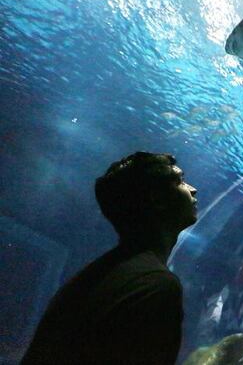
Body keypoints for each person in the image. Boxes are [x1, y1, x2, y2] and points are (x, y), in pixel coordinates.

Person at [22, 152, 199, 364]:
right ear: (157, 199)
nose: (192, 188)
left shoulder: (92, 277)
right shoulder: (156, 285)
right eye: (179, 181)